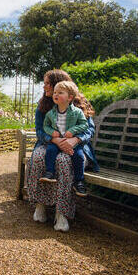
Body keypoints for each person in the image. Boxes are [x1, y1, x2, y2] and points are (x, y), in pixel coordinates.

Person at [25, 70, 99, 232]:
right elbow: (39, 130)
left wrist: (75, 140)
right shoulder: (43, 106)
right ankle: (40, 204)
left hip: (75, 146)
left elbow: (89, 130)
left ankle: (62, 212)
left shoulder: (79, 104)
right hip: (50, 142)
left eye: (47, 83)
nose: (44, 86)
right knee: (38, 157)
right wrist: (54, 139)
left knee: (64, 161)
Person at [39, 80, 89, 197]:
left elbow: (84, 125)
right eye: (55, 92)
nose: (56, 95)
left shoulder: (77, 112)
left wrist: (73, 131)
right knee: (50, 151)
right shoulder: (51, 113)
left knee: (79, 156)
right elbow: (45, 126)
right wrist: (52, 132)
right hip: (57, 142)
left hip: (72, 143)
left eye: (60, 93)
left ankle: (79, 181)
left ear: (70, 97)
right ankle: (50, 173)